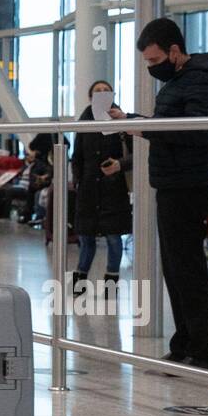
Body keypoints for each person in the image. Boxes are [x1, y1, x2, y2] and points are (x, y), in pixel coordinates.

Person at [113, 17, 208, 370]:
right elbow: (170, 126)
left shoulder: (201, 81)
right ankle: (184, 343)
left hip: (188, 184)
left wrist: (143, 126)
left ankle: (200, 349)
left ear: (174, 51)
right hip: (171, 182)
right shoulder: (179, 81)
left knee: (187, 266)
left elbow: (199, 133)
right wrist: (134, 121)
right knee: (175, 266)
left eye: (153, 60)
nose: (151, 67)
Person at [71, 80, 132, 291]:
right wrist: (78, 181)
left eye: (106, 90)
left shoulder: (122, 122)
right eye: (98, 91)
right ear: (90, 97)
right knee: (86, 238)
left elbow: (136, 155)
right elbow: (76, 157)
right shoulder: (84, 122)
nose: (103, 93)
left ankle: (111, 284)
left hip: (114, 189)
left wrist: (119, 165)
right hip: (88, 189)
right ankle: (79, 283)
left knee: (114, 238)